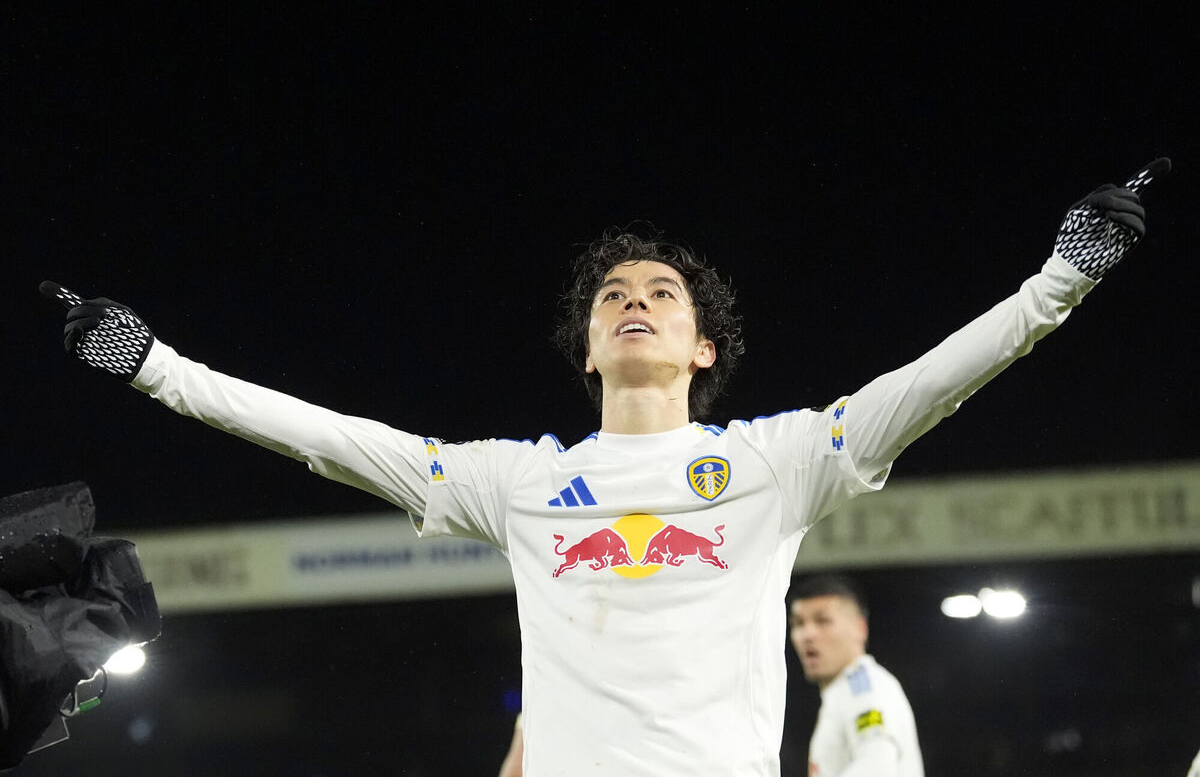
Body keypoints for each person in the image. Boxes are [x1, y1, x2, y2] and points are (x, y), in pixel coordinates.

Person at [40, 158, 1169, 775]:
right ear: (588, 348)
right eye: (612, 298)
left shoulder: (776, 463)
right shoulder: (516, 483)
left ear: (703, 344)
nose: (634, 302)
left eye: (660, 294)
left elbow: (933, 381)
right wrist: (155, 368)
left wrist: (1061, 278)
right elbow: (327, 435)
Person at [789, 574, 922, 776]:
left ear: (860, 629)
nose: (807, 635)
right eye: (798, 624)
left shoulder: (864, 689)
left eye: (822, 621)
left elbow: (878, 765)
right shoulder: (843, 692)